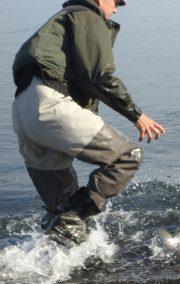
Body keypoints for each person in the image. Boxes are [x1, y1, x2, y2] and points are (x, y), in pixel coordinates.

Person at [12, 0, 165, 245]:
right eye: (116, 2)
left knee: (59, 212)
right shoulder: (86, 15)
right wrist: (137, 115)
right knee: (127, 156)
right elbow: (99, 77)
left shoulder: (57, 24)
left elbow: (77, 82)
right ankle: (73, 218)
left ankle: (46, 265)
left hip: (22, 113)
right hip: (50, 105)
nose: (116, 9)